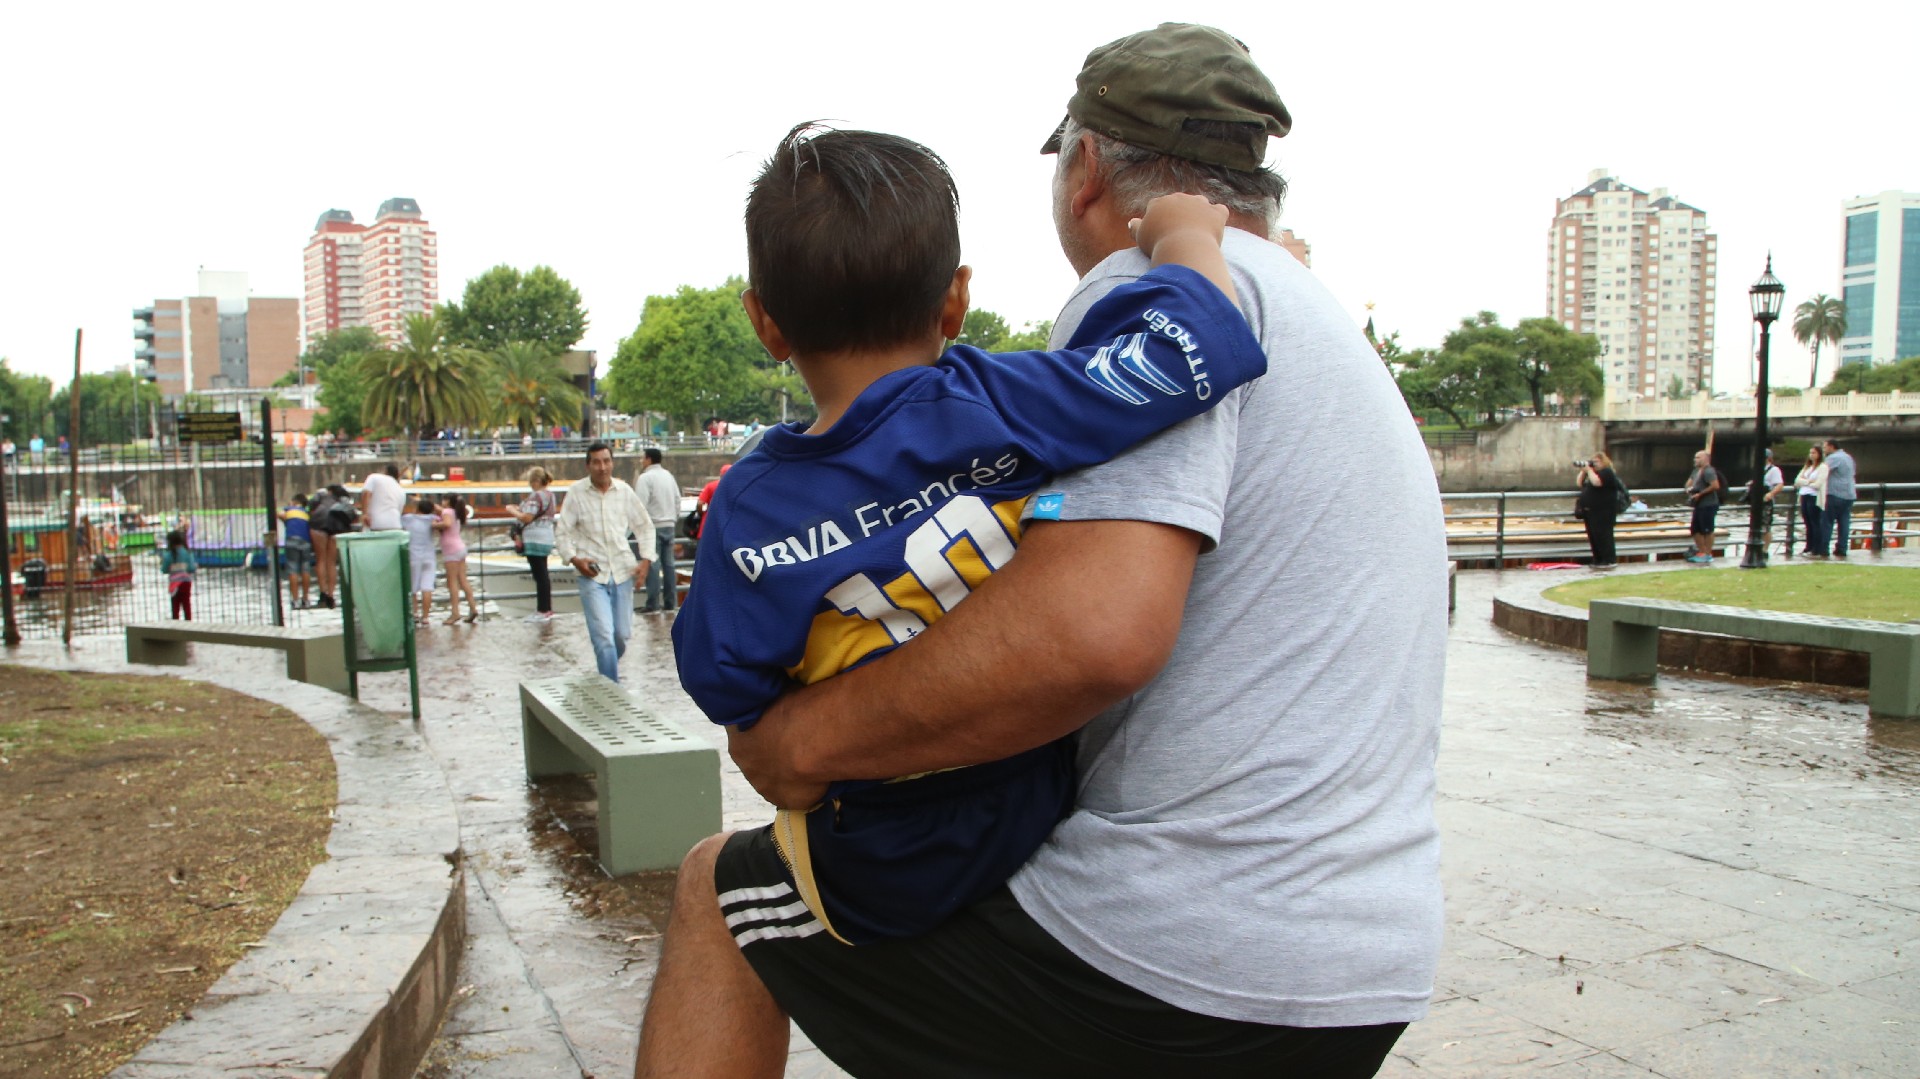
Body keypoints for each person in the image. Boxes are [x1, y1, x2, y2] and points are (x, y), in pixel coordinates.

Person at [637, 24, 1443, 1079]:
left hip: (1179, 949)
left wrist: (804, 741)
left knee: (719, 895)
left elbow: (1097, 633)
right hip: (1366, 948)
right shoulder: (1310, 306)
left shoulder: (1135, 292)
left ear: (1087, 168)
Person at [669, 128, 1265, 956]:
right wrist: (1185, 235)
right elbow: (1197, 347)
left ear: (765, 324)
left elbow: (721, 681)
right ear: (954, 301)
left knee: (712, 886)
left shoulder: (749, 506)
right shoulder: (1003, 401)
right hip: (1038, 798)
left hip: (869, 858)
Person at [554, 441, 653, 682]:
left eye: (606, 461)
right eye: (596, 462)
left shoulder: (624, 492)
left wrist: (646, 560)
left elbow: (644, 526)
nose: (602, 467)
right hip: (592, 574)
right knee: (604, 638)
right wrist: (574, 559)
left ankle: (604, 675)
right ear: (588, 465)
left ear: (613, 463)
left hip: (622, 571)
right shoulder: (576, 493)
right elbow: (562, 531)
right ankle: (611, 688)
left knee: (621, 636)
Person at [635, 447, 680, 613]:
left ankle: (653, 603)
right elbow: (677, 500)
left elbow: (640, 505)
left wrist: (640, 526)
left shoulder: (645, 478)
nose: (642, 461)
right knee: (669, 565)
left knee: (653, 564)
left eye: (643, 458)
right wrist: (673, 518)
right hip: (669, 524)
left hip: (653, 526)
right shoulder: (669, 476)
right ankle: (670, 603)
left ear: (648, 459)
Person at [513, 466, 560, 622]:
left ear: (536, 481)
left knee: (539, 576)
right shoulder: (550, 495)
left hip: (534, 538)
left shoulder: (536, 496)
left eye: (531, 481)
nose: (530, 484)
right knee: (543, 574)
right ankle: (546, 609)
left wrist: (512, 511)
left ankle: (543, 610)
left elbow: (527, 517)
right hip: (546, 537)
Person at [307, 484, 358, 609]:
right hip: (337, 527)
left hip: (318, 525)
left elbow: (310, 507)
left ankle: (323, 593)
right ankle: (331, 595)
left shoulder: (321, 495)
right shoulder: (343, 500)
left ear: (329, 491)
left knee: (321, 559)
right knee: (331, 562)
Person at [1576, 451, 1623, 568]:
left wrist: (1589, 471)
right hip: (1591, 511)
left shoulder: (1607, 472)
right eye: (1593, 461)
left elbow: (1597, 483)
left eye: (1596, 462)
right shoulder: (1594, 473)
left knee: (1604, 536)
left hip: (1603, 512)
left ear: (1603, 462)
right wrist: (1583, 470)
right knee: (1594, 537)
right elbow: (1579, 483)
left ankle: (1609, 560)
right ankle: (1598, 560)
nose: (1594, 464)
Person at [436, 494, 476, 624]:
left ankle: (455, 613)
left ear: (447, 501)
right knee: (463, 580)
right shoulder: (457, 512)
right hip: (460, 547)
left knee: (452, 582)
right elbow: (441, 511)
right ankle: (473, 607)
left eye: (443, 499)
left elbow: (447, 523)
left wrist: (434, 525)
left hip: (450, 549)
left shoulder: (447, 512)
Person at [401, 498, 438, 625]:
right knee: (427, 587)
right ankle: (426, 617)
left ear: (417, 509)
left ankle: (415, 613)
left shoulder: (408, 519)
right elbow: (443, 513)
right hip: (429, 556)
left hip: (413, 556)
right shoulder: (432, 519)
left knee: (413, 587)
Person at [1684, 448, 1722, 564]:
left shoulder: (1709, 471)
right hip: (1698, 505)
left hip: (1708, 504)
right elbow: (1688, 483)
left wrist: (1700, 494)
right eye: (1695, 457)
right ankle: (1702, 551)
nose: (1695, 459)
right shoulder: (1696, 471)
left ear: (1705, 459)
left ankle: (1708, 553)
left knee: (1707, 530)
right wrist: (1689, 490)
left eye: (1698, 457)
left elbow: (1715, 485)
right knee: (1695, 529)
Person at [1822, 437, 1856, 558]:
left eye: (1825, 447)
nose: (1823, 449)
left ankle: (1823, 548)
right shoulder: (1848, 457)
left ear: (1831, 447)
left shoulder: (1833, 458)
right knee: (1844, 522)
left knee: (1827, 522)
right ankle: (1842, 548)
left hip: (1835, 493)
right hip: (1849, 494)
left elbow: (1822, 471)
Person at [279, 492, 314, 609]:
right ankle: (306, 599)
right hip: (305, 541)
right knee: (306, 569)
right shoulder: (306, 513)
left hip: (292, 540)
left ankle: (295, 600)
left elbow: (279, 514)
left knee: (293, 569)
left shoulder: (289, 510)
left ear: (294, 502)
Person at [1798, 445, 1829, 557]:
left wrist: (1806, 482)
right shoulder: (1808, 467)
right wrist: (1808, 482)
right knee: (1807, 522)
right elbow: (1797, 480)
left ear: (1819, 454)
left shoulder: (1823, 467)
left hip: (1814, 496)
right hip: (1804, 495)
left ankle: (1816, 548)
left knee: (1815, 522)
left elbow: (1818, 484)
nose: (1811, 455)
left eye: (1814, 453)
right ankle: (1808, 546)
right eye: (1810, 453)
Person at [161, 529, 196, 621]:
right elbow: (191, 568)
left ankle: (175, 624)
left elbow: (164, 570)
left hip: (174, 584)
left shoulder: (168, 555)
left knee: (175, 606)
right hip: (186, 583)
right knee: (187, 604)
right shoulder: (187, 553)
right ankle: (189, 623)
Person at [359, 463, 406, 531]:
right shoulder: (401, 490)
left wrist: (365, 514)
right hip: (395, 525)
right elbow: (400, 511)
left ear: (385, 471)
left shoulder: (374, 477)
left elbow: (366, 493)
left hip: (375, 524)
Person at [693, 464, 730, 540]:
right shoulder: (736, 488)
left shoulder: (711, 486)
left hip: (708, 526)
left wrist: (702, 513)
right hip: (728, 528)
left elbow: (700, 504)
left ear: (720, 475)